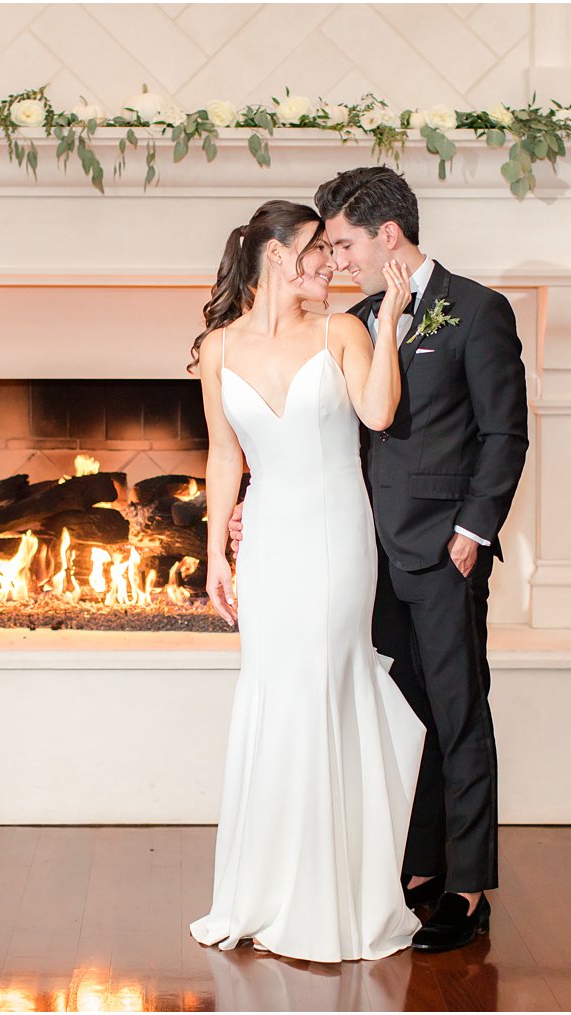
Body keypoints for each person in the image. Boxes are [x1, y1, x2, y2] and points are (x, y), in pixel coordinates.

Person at [233, 167, 529, 953]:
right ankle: (419, 871)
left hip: (444, 551)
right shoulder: (359, 318)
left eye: (344, 243)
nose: (336, 259)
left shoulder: (478, 310)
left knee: (460, 714)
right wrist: (253, 497)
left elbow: (505, 434)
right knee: (404, 717)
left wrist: (475, 529)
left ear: (387, 235)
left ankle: (469, 889)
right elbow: (335, 429)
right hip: (363, 553)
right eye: (325, 247)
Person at [187, 199, 426, 963]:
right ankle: (262, 890)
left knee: (326, 680)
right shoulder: (218, 348)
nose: (331, 262)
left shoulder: (344, 329)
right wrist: (215, 553)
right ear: (279, 257)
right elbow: (225, 455)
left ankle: (335, 896)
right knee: (273, 690)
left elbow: (381, 412)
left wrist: (388, 320)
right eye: (318, 249)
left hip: (335, 539)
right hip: (270, 543)